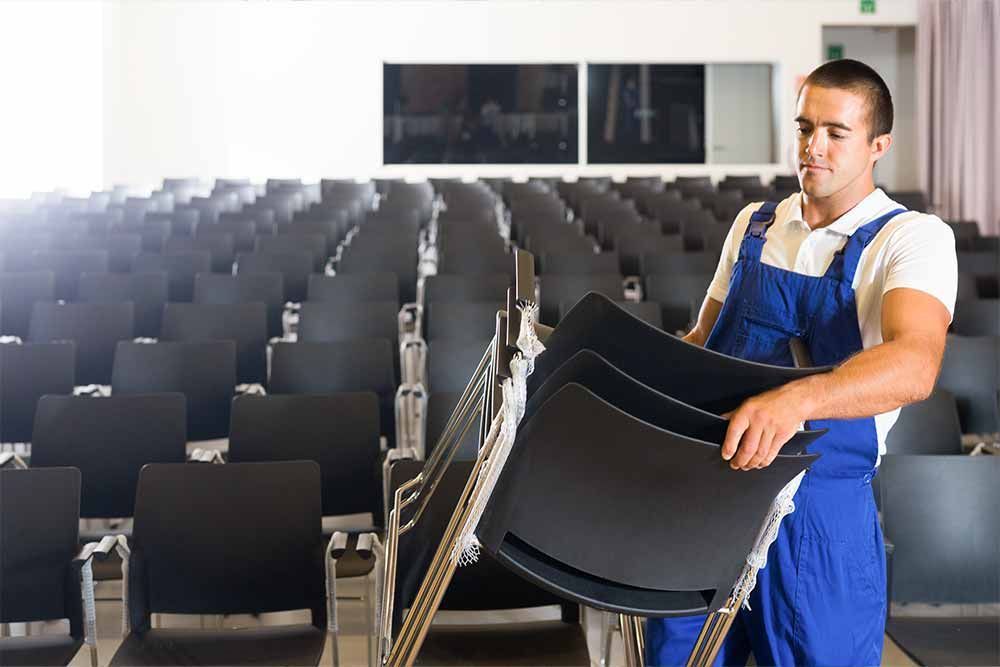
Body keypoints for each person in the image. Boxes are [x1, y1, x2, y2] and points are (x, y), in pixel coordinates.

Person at [645, 59, 957, 666]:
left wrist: (798, 400)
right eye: (805, 127)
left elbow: (915, 364)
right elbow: (702, 340)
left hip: (819, 514)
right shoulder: (754, 225)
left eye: (836, 133)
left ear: (878, 145)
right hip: (711, 494)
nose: (813, 147)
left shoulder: (911, 239)